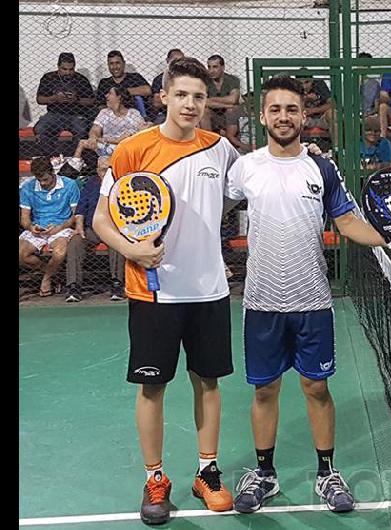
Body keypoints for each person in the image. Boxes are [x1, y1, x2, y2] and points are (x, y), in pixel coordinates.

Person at [225, 75, 391, 515]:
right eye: (275, 109)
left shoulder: (322, 168)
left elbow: (348, 221)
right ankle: (264, 474)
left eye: (291, 109)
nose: (283, 116)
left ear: (303, 116)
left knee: (316, 386)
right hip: (262, 303)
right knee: (265, 391)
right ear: (262, 115)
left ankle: (327, 472)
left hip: (313, 300)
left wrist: (390, 238)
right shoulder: (245, 167)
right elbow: (214, 208)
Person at [92, 57, 241, 525]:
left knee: (208, 382)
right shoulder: (134, 149)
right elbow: (101, 219)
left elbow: (251, 184)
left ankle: (207, 472)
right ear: (164, 98)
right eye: (182, 95)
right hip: (153, 292)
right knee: (152, 387)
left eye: (199, 96)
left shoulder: (220, 150)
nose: (191, 104)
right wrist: (131, 250)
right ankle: (155, 478)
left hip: (209, 289)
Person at [65, 156, 126, 302]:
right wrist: (79, 227)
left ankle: (117, 284)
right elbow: (80, 209)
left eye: (108, 169)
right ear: (97, 171)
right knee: (75, 241)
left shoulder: (121, 183)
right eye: (102, 170)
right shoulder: (91, 183)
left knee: (117, 243)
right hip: (91, 228)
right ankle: (74, 286)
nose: (105, 173)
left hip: (113, 228)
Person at [19, 156, 80, 297]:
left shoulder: (70, 185)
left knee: (59, 252)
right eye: (39, 180)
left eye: (45, 179)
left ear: (52, 172)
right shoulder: (27, 188)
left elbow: (76, 215)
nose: (42, 183)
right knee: (21, 254)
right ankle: (52, 273)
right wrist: (31, 227)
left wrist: (60, 227)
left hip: (62, 227)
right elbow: (24, 219)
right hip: (38, 228)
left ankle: (46, 279)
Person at [73, 86, 147, 161]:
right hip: (106, 145)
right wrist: (93, 138)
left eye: (110, 93)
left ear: (119, 97)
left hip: (127, 146)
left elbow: (143, 130)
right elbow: (95, 130)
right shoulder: (104, 112)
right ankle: (74, 165)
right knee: (82, 142)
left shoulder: (133, 113)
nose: (106, 96)